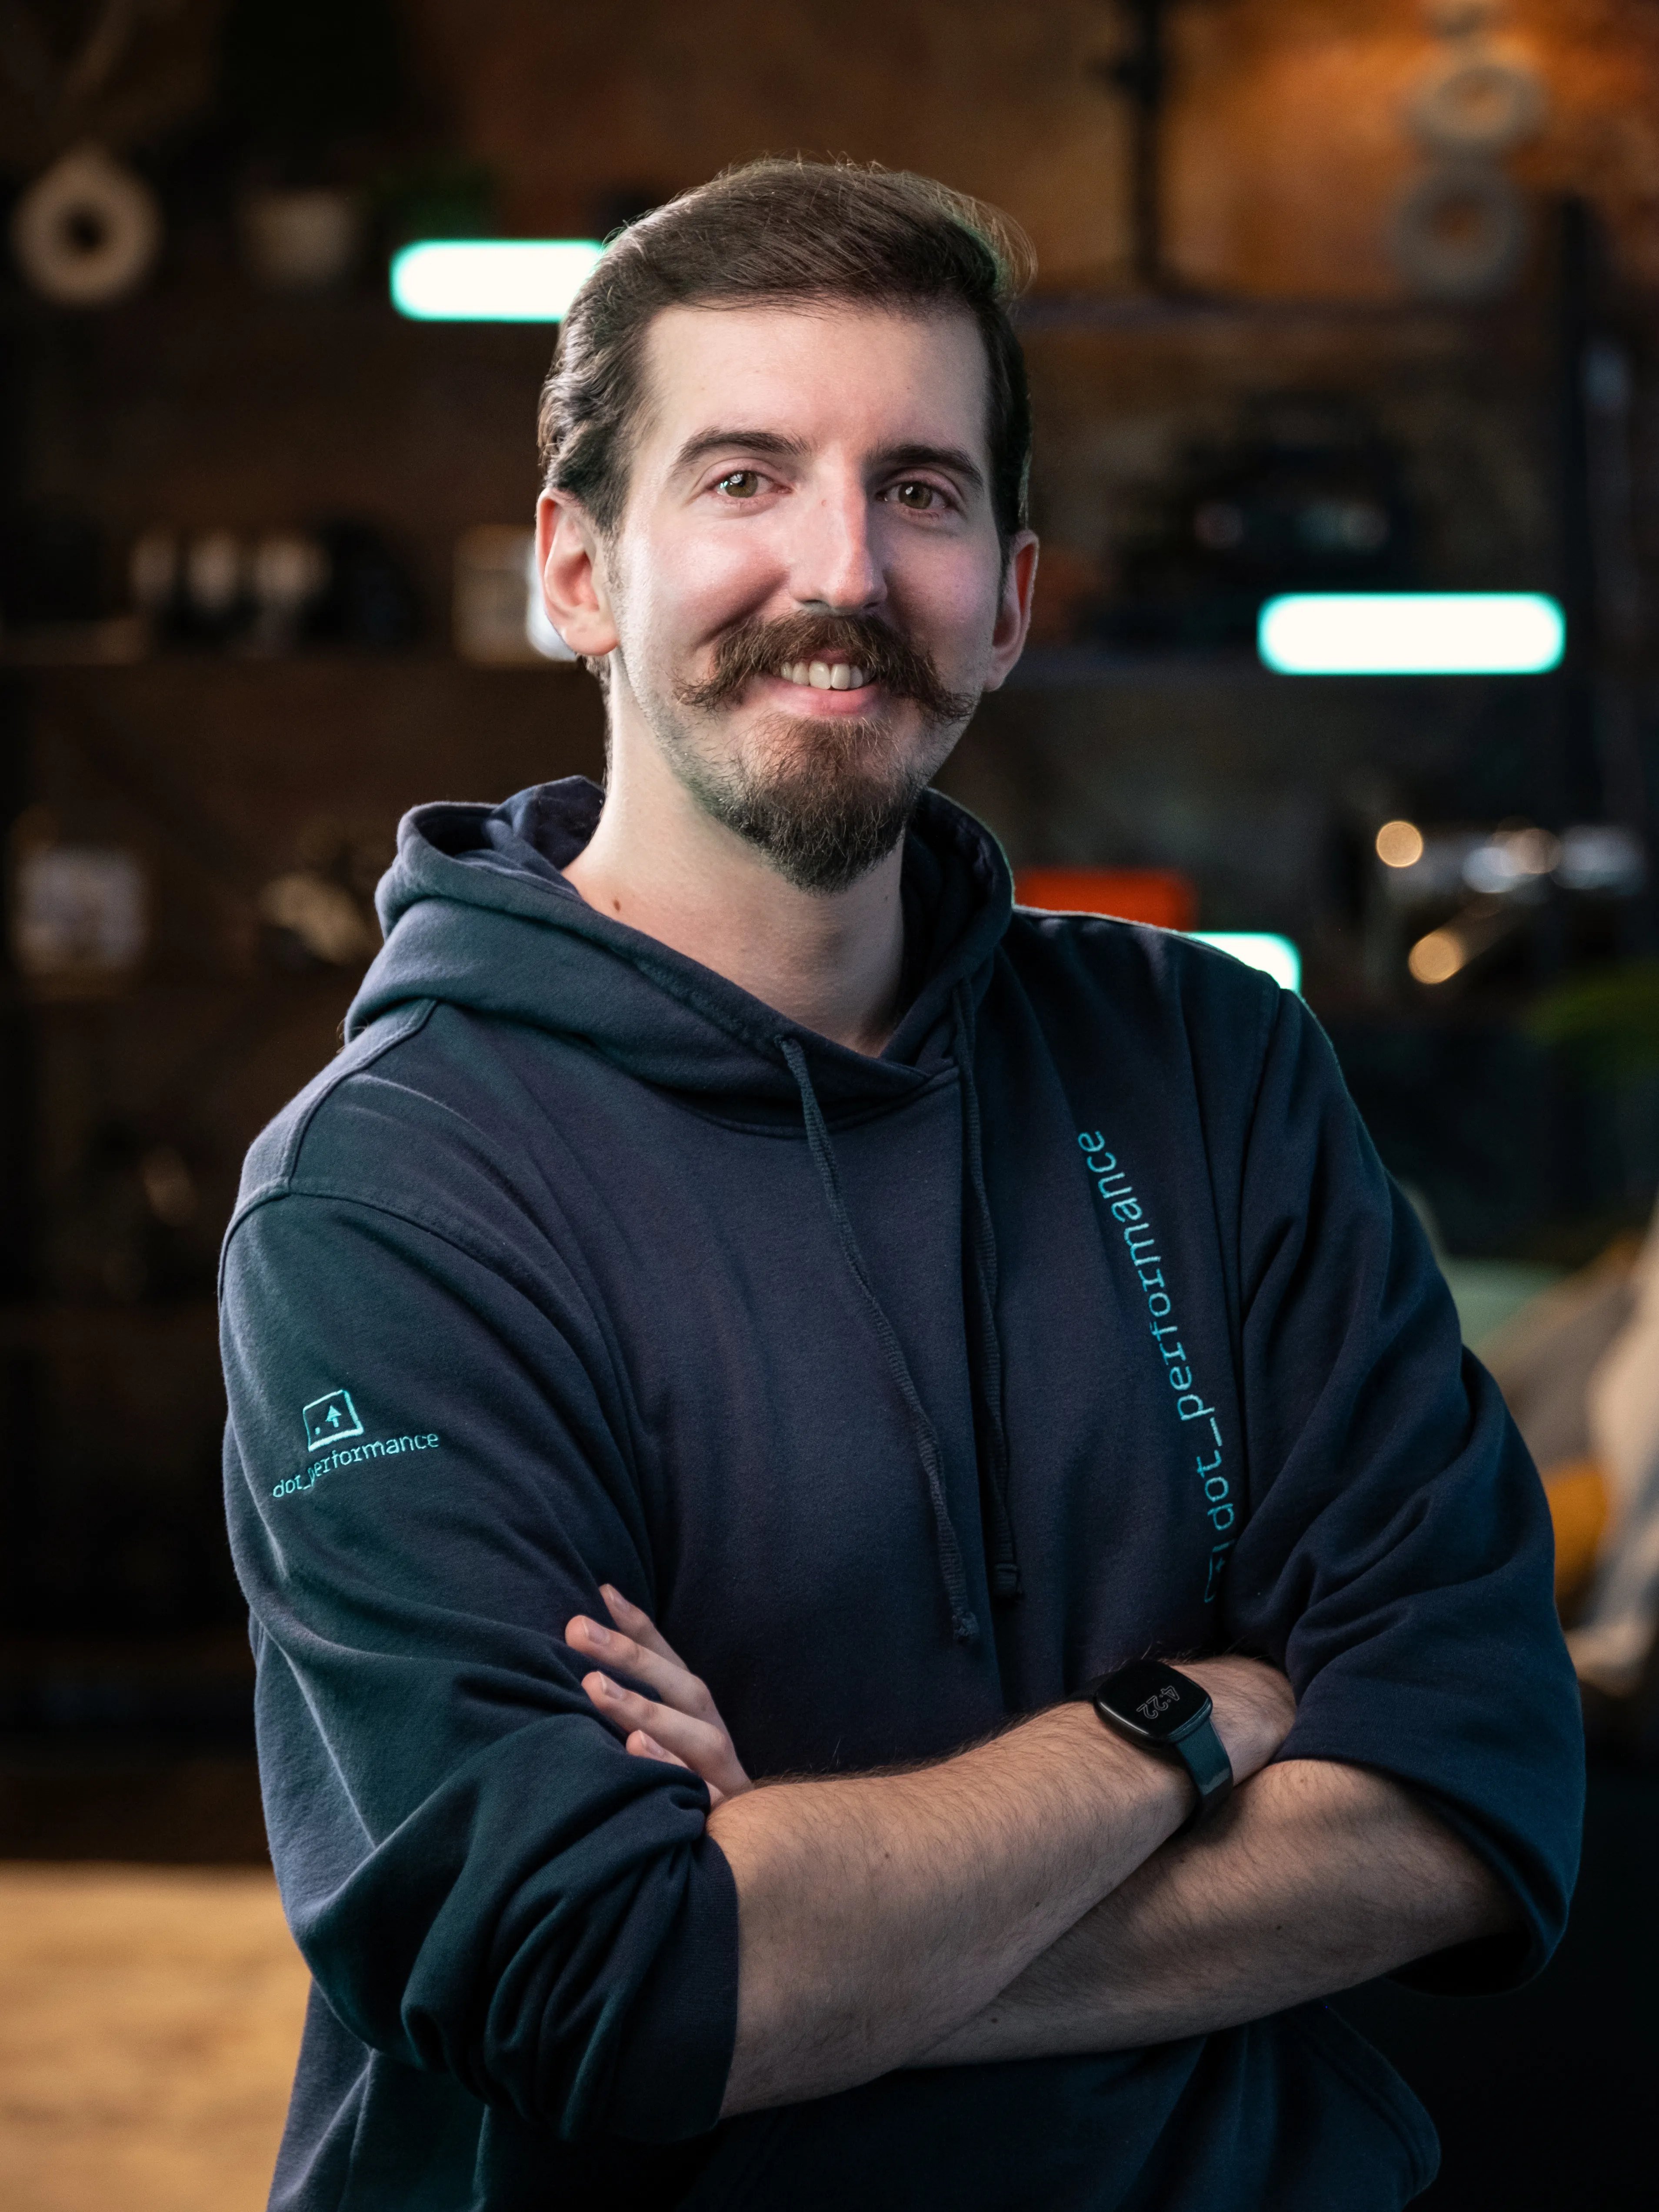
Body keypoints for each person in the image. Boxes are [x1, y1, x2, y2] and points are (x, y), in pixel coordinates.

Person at [221, 160, 1583, 2212]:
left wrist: (812, 1938)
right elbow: (597, 1980)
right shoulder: (390, 1197)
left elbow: (1476, 1782)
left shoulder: (1211, 1065)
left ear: (1013, 598)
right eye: (747, 478)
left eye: (923, 491)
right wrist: (1176, 1723)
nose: (841, 569)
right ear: (577, 574)